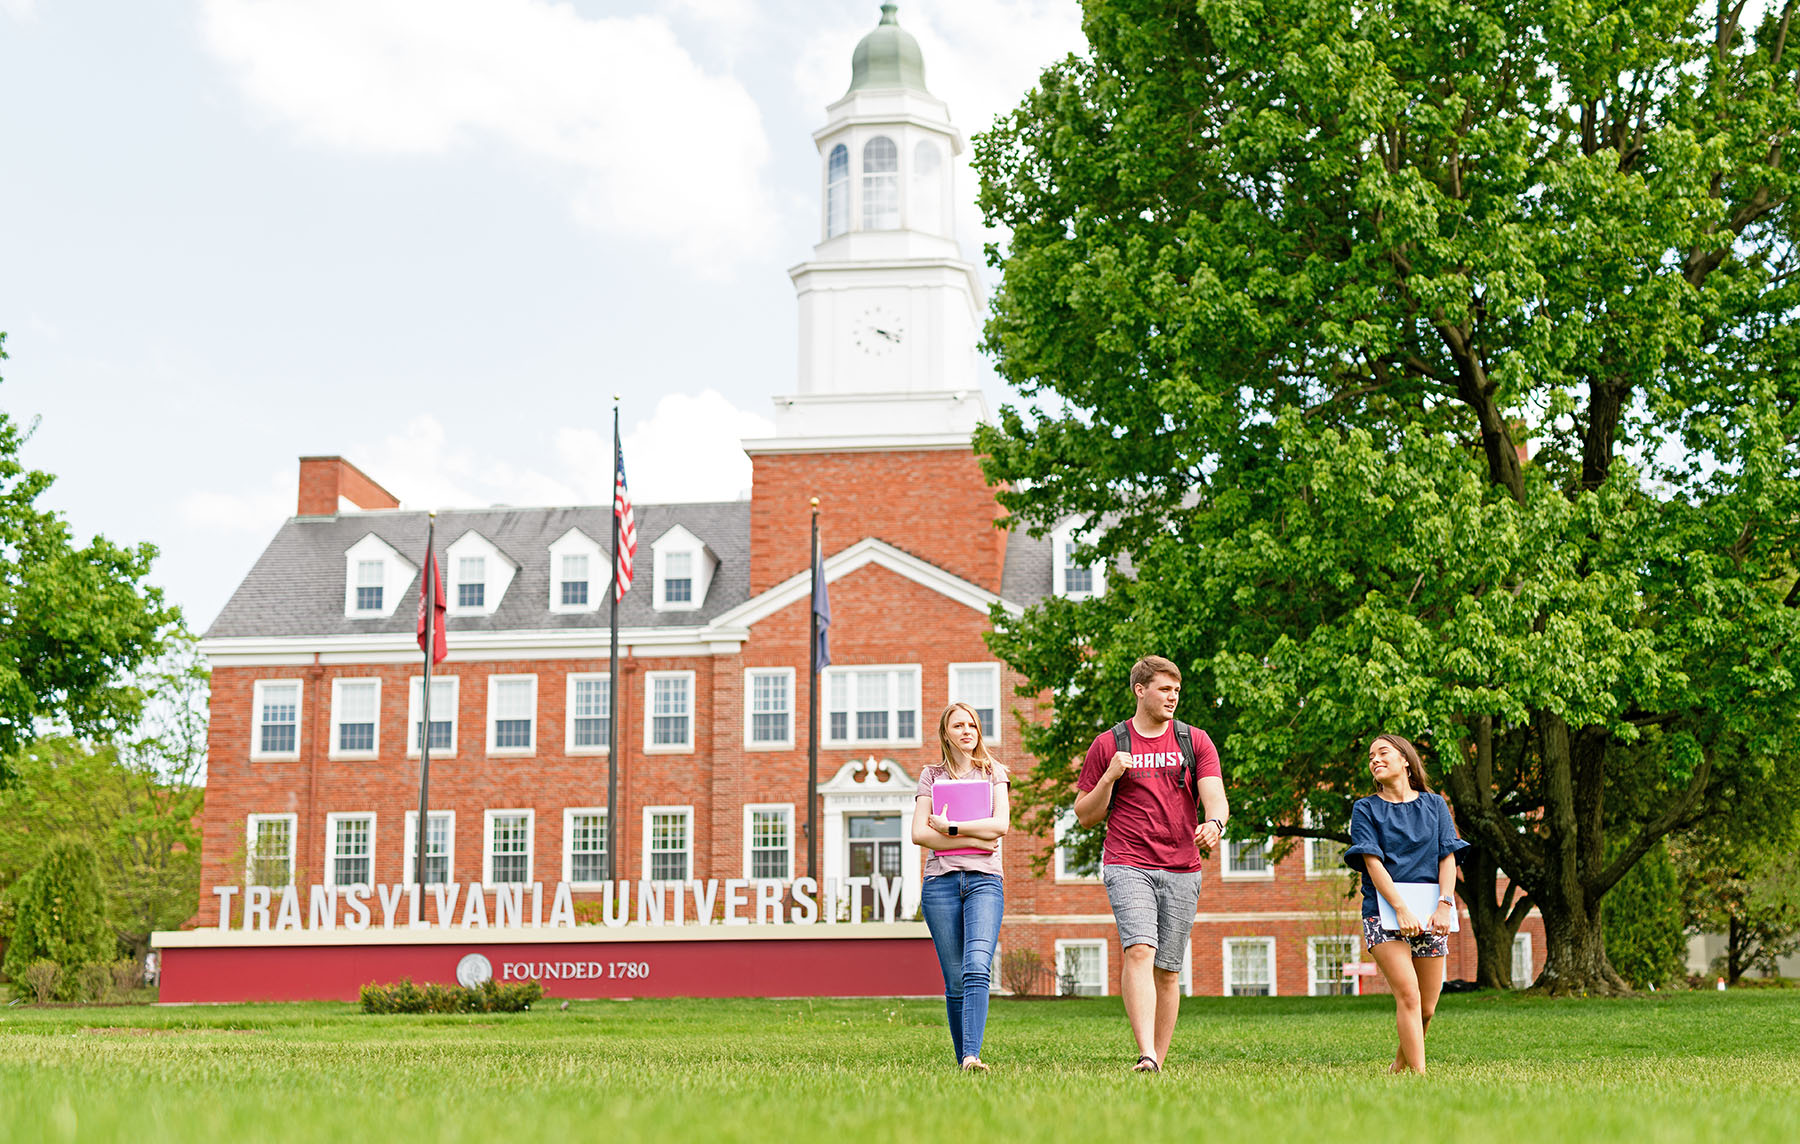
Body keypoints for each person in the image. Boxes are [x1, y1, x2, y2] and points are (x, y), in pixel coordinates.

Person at [1074, 655, 1228, 1073]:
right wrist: (1108, 777)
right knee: (1140, 949)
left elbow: (1214, 795)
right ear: (1140, 691)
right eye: (1164, 689)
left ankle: (1157, 1058)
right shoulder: (1110, 743)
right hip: (1128, 861)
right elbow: (1085, 815)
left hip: (1182, 865)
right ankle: (1145, 1053)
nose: (1172, 697)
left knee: (1168, 970)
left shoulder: (1194, 740)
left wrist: (1214, 822)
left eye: (1176, 690)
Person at [1343, 733, 1469, 1074]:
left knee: (1426, 1007)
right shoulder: (1365, 808)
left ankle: (1397, 1069)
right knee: (1409, 997)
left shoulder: (1435, 805)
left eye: (1383, 752)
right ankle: (1420, 1079)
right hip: (1384, 913)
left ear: (1405, 761)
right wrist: (1399, 909)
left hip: (1430, 913)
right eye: (1371, 756)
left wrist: (1445, 904)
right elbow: (1372, 862)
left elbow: (1447, 856)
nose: (1374, 759)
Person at [912, 700, 1010, 1072]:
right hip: (940, 884)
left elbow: (1000, 826)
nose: (967, 731)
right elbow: (920, 833)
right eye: (958, 726)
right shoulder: (931, 776)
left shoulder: (993, 772)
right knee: (954, 979)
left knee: (976, 966)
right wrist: (976, 838)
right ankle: (964, 1058)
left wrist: (952, 828)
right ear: (946, 733)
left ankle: (972, 1055)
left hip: (985, 882)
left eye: (972, 725)